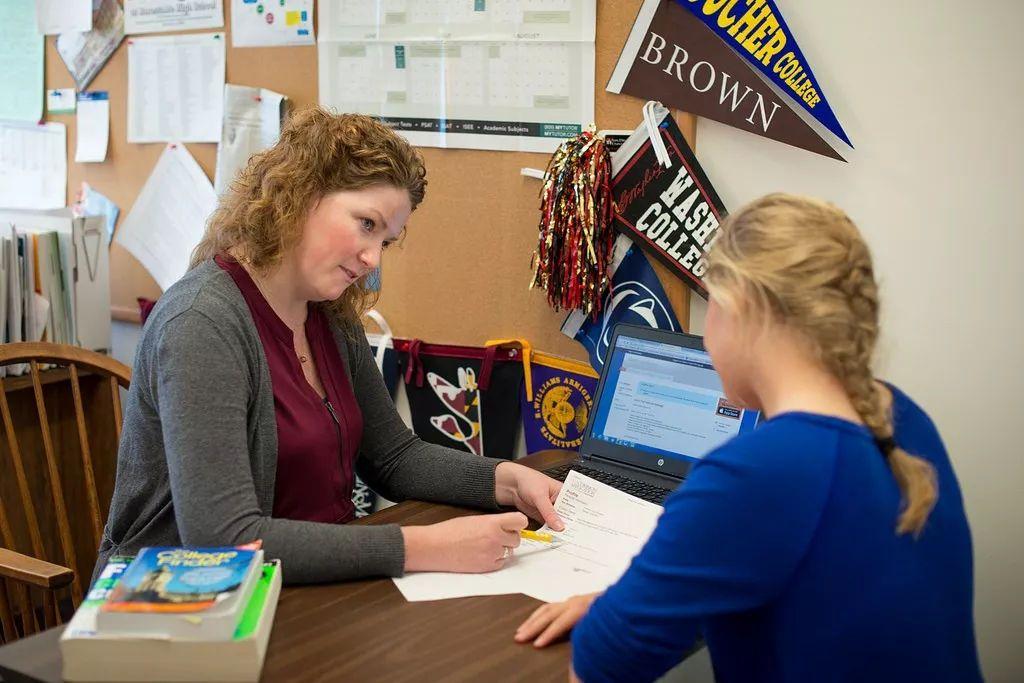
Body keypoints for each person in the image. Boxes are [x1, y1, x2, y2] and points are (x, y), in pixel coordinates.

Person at [514, 194, 982, 682]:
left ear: (738, 310)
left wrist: (622, 610)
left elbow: (595, 669)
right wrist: (635, 601)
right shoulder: (903, 418)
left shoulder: (755, 473)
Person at [96, 107, 564, 584]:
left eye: (387, 240)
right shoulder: (200, 323)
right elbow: (225, 541)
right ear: (298, 196)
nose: (372, 258)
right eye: (366, 224)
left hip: (304, 590)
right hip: (176, 611)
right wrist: (427, 546)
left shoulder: (328, 312)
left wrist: (506, 480)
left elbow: (394, 458)